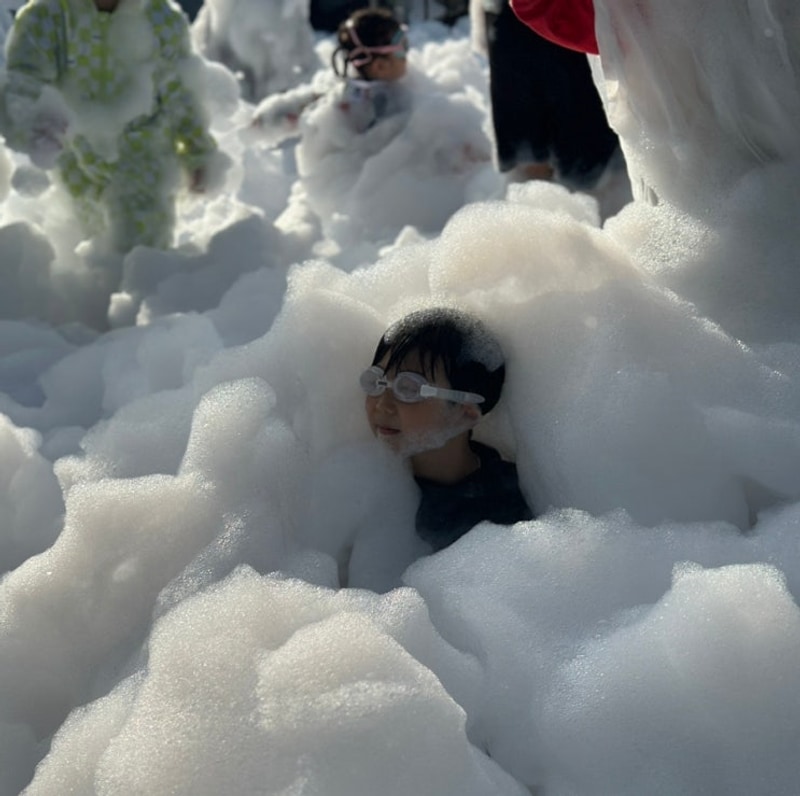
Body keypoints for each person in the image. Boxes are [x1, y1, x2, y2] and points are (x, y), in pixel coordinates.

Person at [0, 0, 219, 253]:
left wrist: (196, 149)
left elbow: (181, 91)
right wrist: (33, 123)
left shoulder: (160, 18)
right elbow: (24, 82)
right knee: (88, 248)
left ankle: (144, 285)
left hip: (146, 156)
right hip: (75, 157)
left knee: (142, 246)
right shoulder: (46, 17)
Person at [360, 307, 533, 552]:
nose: (382, 404)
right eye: (376, 382)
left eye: (408, 388)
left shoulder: (513, 499)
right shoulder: (358, 493)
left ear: (465, 413)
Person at [252, 7, 413, 142]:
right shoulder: (350, 102)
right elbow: (306, 108)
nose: (407, 55)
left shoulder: (343, 93)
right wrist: (273, 117)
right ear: (380, 66)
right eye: (403, 49)